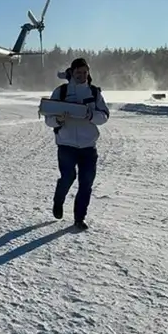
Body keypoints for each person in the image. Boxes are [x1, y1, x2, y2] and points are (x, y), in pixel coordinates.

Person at [43, 58, 110, 230]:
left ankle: (79, 218)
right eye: (78, 72)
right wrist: (58, 119)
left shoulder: (94, 93)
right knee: (68, 177)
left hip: (88, 146)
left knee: (86, 183)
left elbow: (104, 116)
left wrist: (90, 115)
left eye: (85, 72)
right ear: (71, 72)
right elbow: (49, 119)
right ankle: (59, 200)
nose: (82, 75)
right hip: (66, 145)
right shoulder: (61, 91)